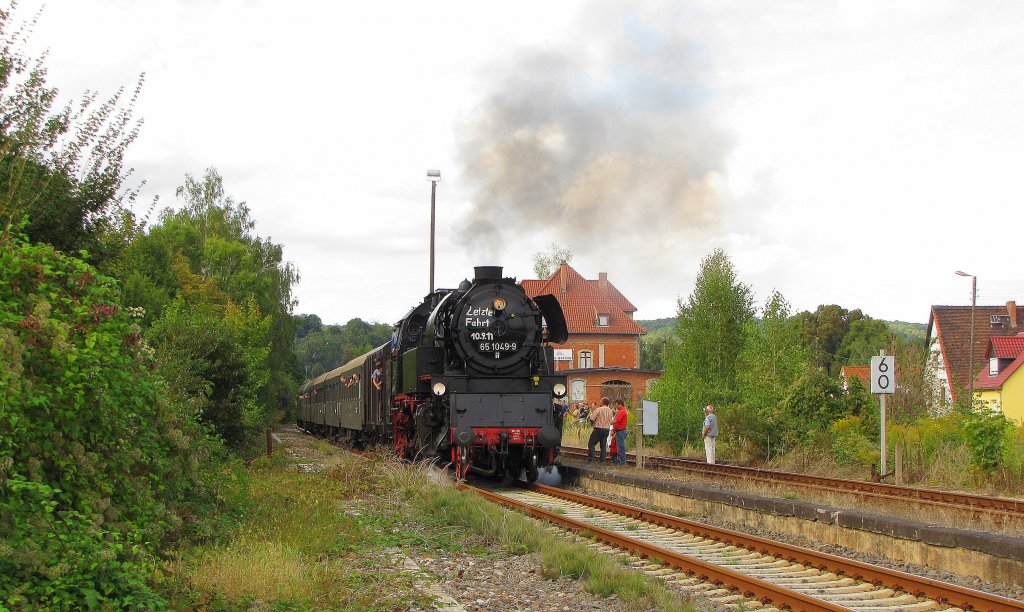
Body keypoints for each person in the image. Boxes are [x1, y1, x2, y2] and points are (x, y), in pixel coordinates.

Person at [587, 397, 613, 462]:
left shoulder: (598, 409)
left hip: (598, 429)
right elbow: (611, 420)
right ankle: (602, 460)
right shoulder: (610, 411)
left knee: (591, 444)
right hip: (606, 430)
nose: (600, 402)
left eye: (600, 401)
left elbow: (592, 418)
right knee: (603, 446)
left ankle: (591, 459)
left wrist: (592, 424)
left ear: (602, 402)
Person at [611, 399, 628, 465]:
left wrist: (606, 423)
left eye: (616, 405)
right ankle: (621, 462)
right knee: (619, 448)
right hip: (619, 431)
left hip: (621, 432)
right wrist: (614, 430)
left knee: (621, 448)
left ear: (620, 404)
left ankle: (622, 463)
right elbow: (617, 423)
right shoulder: (620, 411)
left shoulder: (622, 411)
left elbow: (616, 421)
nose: (616, 407)